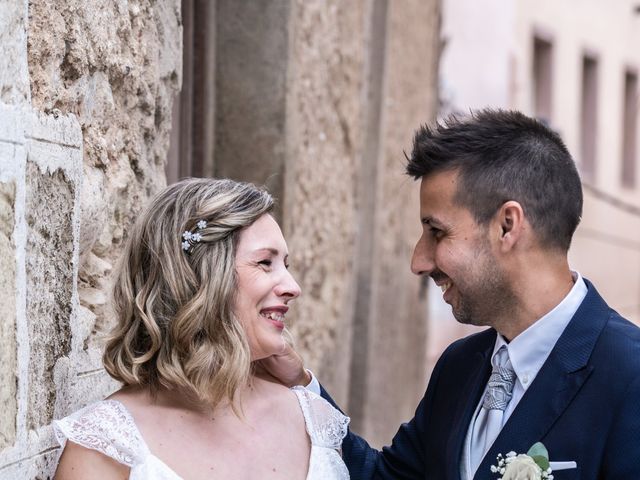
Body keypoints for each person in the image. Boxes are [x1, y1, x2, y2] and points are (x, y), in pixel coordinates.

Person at [265, 109, 640, 479]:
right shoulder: (460, 366)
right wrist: (302, 384)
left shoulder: (629, 376)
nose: (419, 261)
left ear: (507, 226)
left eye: (436, 232)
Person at [54, 178, 350, 479]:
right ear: (197, 278)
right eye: (264, 262)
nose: (293, 287)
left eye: (286, 265)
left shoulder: (314, 421)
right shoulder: (106, 445)